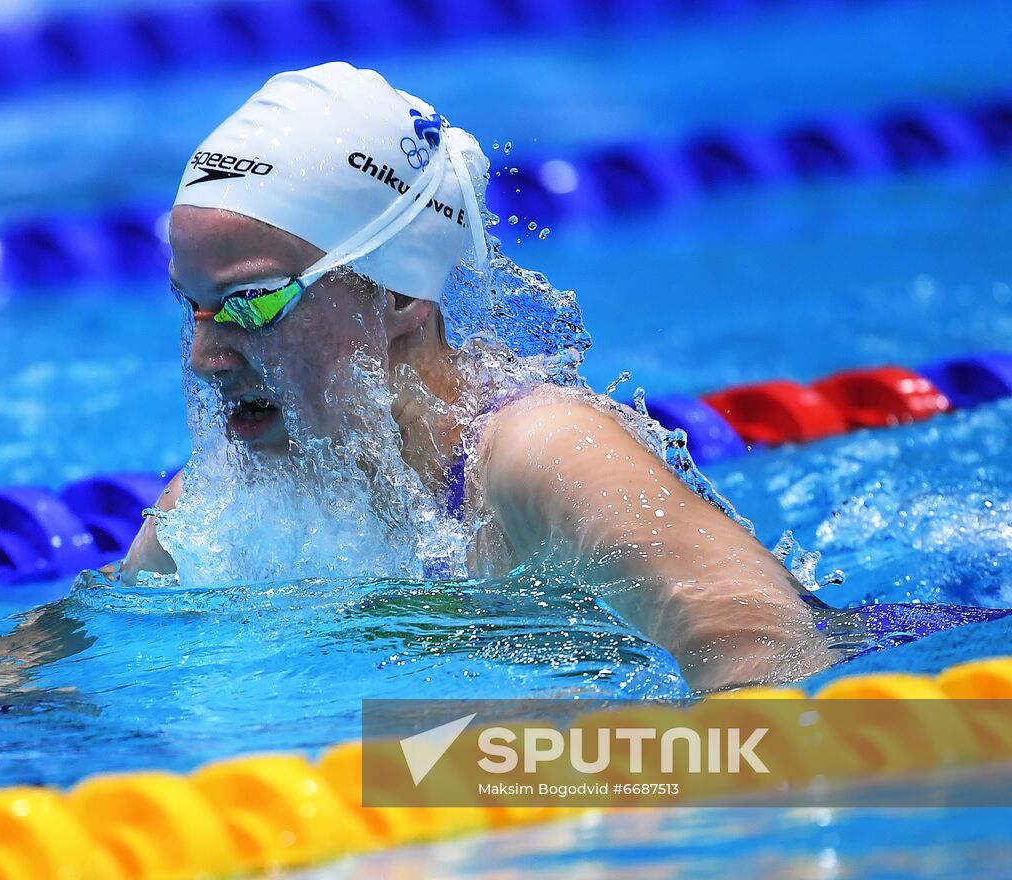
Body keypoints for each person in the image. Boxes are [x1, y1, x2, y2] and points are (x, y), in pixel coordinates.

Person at [113, 62, 835, 694]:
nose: (206, 357)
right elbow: (71, 644)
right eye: (193, 305)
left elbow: (762, 646)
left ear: (397, 293)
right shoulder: (230, 503)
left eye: (252, 303)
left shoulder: (536, 455)